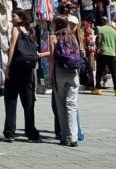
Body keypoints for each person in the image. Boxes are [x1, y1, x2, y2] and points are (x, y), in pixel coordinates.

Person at [2, 12, 41, 141]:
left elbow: (12, 48)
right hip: (28, 71)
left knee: (11, 101)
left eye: (14, 16)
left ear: (21, 18)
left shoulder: (16, 29)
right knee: (28, 103)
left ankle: (10, 132)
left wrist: (8, 67)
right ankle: (31, 132)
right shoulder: (30, 31)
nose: (12, 18)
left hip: (16, 69)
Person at [50, 15, 83, 146]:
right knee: (72, 105)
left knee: (61, 105)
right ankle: (73, 137)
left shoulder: (54, 38)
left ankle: (64, 136)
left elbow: (52, 59)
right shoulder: (73, 37)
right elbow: (78, 55)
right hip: (73, 72)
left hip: (60, 73)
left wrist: (51, 77)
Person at [94, 11, 116, 97]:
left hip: (102, 53)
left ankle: (98, 89)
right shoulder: (113, 30)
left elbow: (98, 39)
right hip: (111, 54)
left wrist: (97, 49)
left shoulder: (100, 29)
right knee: (114, 72)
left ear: (102, 21)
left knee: (99, 71)